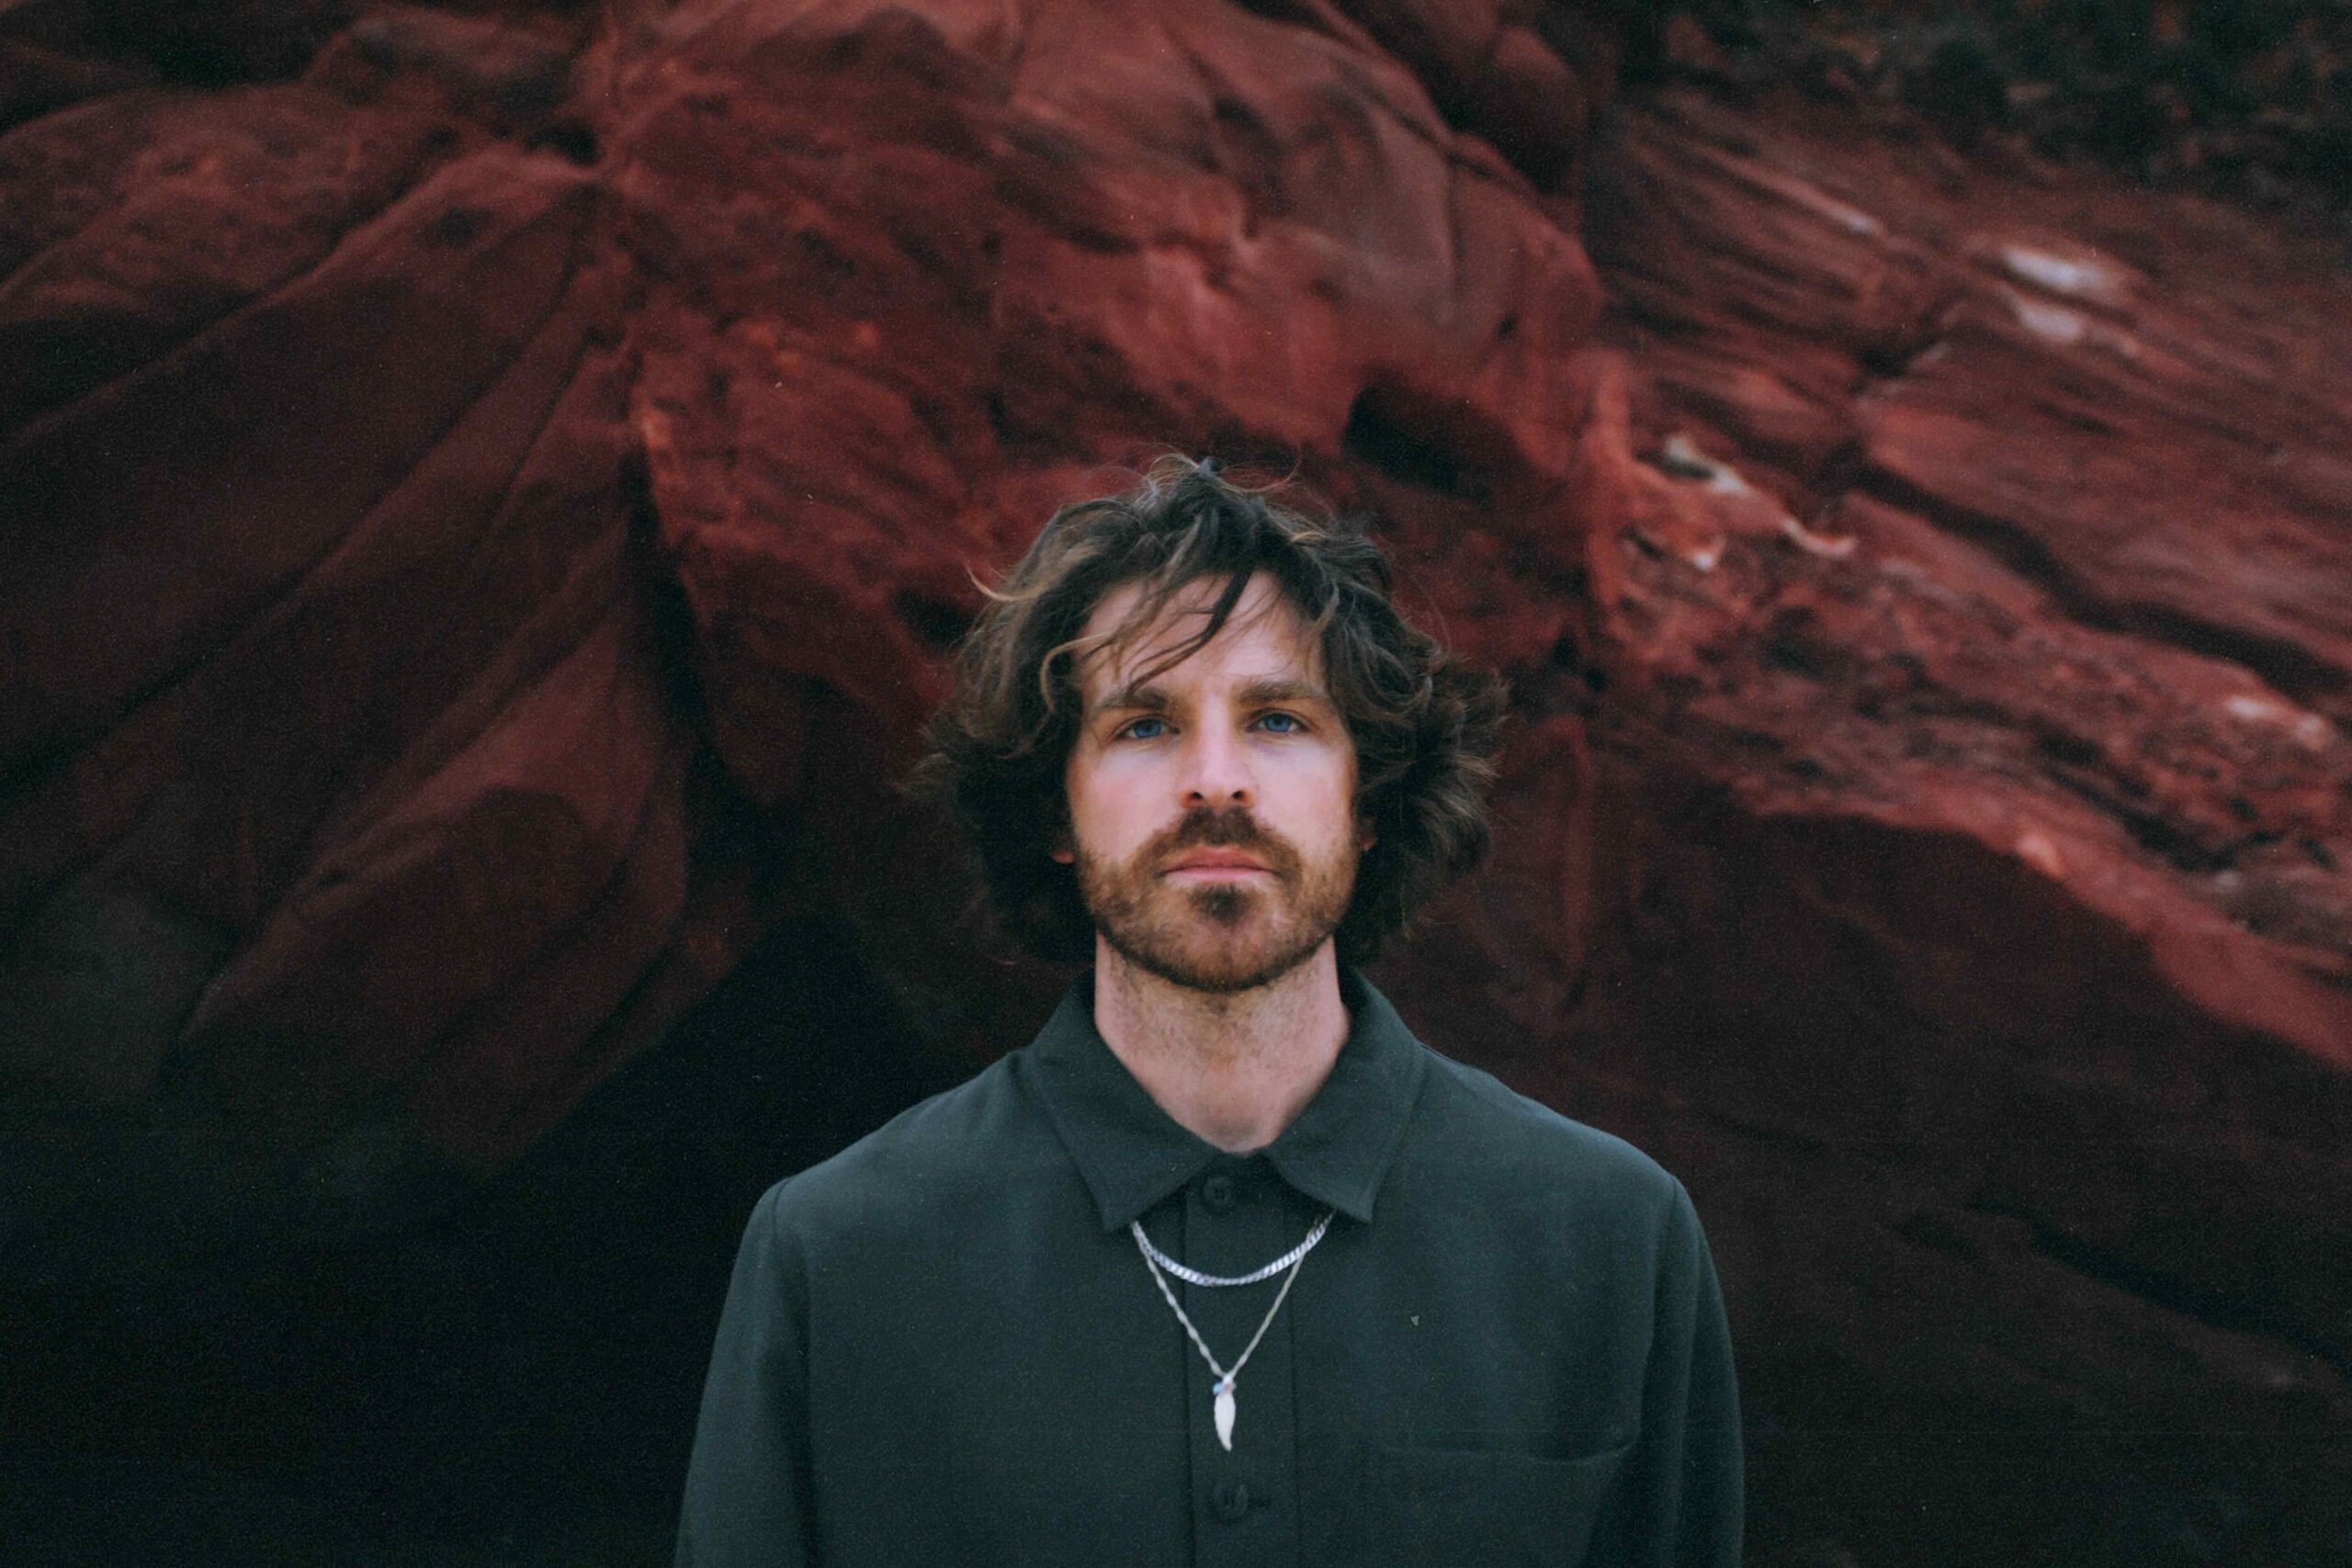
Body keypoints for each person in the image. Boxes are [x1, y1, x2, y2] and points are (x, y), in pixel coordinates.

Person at [673, 457, 1742, 1566]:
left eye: (1277, 719)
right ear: (1056, 811)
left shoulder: (1611, 1240)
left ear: (1367, 801)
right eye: (1144, 725)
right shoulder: (839, 1257)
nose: (1217, 780)